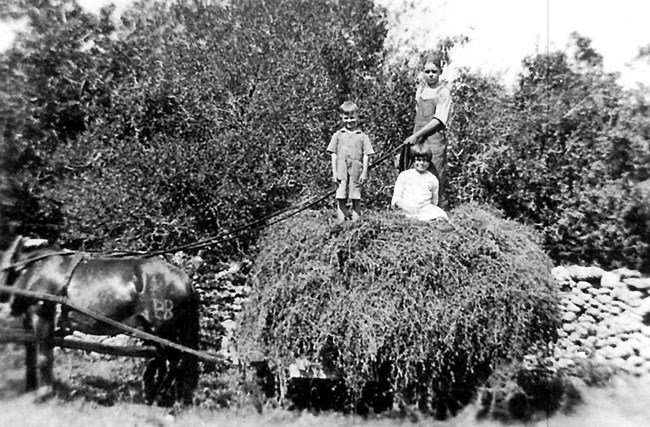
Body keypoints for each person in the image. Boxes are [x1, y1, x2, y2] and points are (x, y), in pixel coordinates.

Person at [397, 53, 453, 208]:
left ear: (440, 72)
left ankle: (436, 209)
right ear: (423, 72)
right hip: (417, 138)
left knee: (434, 173)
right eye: (427, 71)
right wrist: (414, 136)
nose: (430, 75)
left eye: (434, 71)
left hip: (434, 139)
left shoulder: (443, 92)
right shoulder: (420, 90)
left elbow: (438, 120)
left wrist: (417, 135)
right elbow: (418, 114)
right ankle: (412, 208)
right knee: (413, 172)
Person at [326, 101, 375, 222]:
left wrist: (364, 172)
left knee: (356, 195)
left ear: (357, 117)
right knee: (341, 195)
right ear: (341, 118)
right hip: (341, 170)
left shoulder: (362, 136)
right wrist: (334, 172)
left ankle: (355, 222)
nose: (349, 121)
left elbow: (366, 155)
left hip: (356, 170)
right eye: (346, 118)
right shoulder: (338, 135)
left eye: (352, 118)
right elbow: (333, 154)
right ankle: (341, 222)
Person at [391, 145, 448, 222]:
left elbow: (434, 200)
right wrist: (405, 207)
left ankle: (430, 221)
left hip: (424, 209)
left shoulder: (432, 178)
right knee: (405, 216)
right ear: (413, 161)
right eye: (418, 160)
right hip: (407, 208)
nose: (421, 163)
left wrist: (427, 208)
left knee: (440, 215)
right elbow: (397, 197)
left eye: (425, 160)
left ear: (428, 162)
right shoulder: (404, 175)